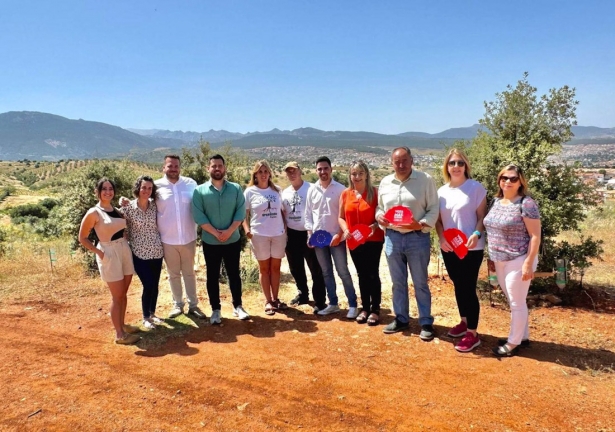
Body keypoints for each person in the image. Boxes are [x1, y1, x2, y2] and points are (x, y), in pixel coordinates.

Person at [376, 147, 439, 340]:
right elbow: (379, 208)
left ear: (412, 161)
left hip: (417, 238)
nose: (401, 165)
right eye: (397, 162)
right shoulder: (385, 182)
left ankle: (426, 321)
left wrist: (419, 225)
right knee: (397, 283)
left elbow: (434, 208)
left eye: (405, 161)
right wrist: (380, 218)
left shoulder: (425, 180)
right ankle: (401, 319)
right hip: (392, 238)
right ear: (391, 163)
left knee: (420, 283)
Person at [484, 164, 541, 357]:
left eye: (513, 178)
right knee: (513, 299)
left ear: (520, 182)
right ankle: (522, 337)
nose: (507, 181)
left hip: (519, 258)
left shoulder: (526, 203)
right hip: (499, 259)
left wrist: (528, 262)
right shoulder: (495, 202)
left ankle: (512, 343)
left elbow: (535, 236)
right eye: (504, 177)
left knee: (516, 302)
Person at [435, 149, 487, 352]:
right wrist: (441, 238)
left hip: (471, 247)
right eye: (452, 163)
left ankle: (473, 334)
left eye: (460, 163)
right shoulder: (441, 192)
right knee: (458, 285)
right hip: (449, 247)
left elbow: (482, 217)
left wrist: (476, 233)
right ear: (446, 167)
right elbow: (439, 221)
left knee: (468, 288)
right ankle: (464, 322)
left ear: (466, 166)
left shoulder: (475, 188)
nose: (456, 167)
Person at [78, 178, 140, 345]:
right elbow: (82, 238)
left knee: (123, 294)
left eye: (110, 188)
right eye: (104, 189)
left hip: (124, 250)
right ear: (98, 192)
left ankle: (122, 325)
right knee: (117, 296)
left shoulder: (117, 210)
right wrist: (100, 253)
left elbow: (122, 227)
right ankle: (119, 335)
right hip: (109, 253)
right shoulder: (94, 212)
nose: (108, 191)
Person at [192, 154, 250, 325]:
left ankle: (238, 306)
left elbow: (240, 213)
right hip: (211, 242)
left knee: (234, 274)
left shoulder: (236, 189)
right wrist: (217, 234)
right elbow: (199, 216)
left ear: (225, 168)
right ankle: (215, 310)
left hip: (232, 240)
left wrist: (229, 231)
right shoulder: (199, 191)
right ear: (208, 168)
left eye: (220, 166)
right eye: (214, 166)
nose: (217, 169)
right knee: (212, 276)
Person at [304, 156, 359, 318]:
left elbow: (345, 216)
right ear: (316, 171)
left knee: (343, 271)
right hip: (319, 240)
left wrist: (340, 234)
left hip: (337, 239)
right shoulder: (312, 190)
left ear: (331, 169)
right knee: (326, 272)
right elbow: (308, 215)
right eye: (320, 169)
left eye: (325, 168)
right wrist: (309, 234)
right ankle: (333, 304)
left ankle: (353, 304)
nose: (323, 172)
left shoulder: (341, 190)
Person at [155, 155, 205, 320]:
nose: (173, 169)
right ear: (164, 168)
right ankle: (177, 304)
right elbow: (143, 204)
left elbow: (200, 205)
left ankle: (193, 305)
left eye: (176, 166)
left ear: (180, 167)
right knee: (173, 274)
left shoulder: (191, 184)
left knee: (189, 273)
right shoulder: (156, 187)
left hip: (188, 238)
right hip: (167, 239)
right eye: (170, 166)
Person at [338, 160, 384, 325]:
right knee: (361, 274)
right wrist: (345, 230)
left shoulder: (375, 193)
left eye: (360, 173)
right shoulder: (345, 194)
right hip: (354, 241)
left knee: (372, 273)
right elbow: (341, 217)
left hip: (373, 239)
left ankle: (375, 310)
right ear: (350, 176)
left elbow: (383, 216)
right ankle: (365, 307)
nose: (357, 177)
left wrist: (376, 224)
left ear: (366, 175)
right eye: (354, 174)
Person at [118, 175, 165, 330]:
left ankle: (152, 314)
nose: (146, 190)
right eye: (144, 187)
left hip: (157, 251)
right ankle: (145, 317)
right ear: (138, 188)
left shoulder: (154, 205)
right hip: (139, 253)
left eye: (150, 188)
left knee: (155, 285)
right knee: (148, 284)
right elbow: (116, 220)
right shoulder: (129, 207)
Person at [242, 160, 288, 316]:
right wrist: (247, 231)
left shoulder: (278, 190)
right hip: (259, 235)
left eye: (265, 171)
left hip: (278, 234)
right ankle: (268, 301)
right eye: (260, 171)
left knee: (276, 268)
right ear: (255, 174)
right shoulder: (249, 192)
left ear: (269, 173)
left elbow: (283, 212)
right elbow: (244, 215)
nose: (263, 174)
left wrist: (285, 230)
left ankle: (276, 299)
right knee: (264, 269)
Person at [281, 161, 327, 313]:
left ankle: (320, 300)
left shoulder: (312, 188)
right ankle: (303, 294)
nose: (292, 174)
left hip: (310, 233)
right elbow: (283, 213)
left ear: (300, 171)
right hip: (292, 234)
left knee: (315, 268)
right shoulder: (285, 193)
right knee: (296, 267)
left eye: (294, 170)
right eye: (289, 172)